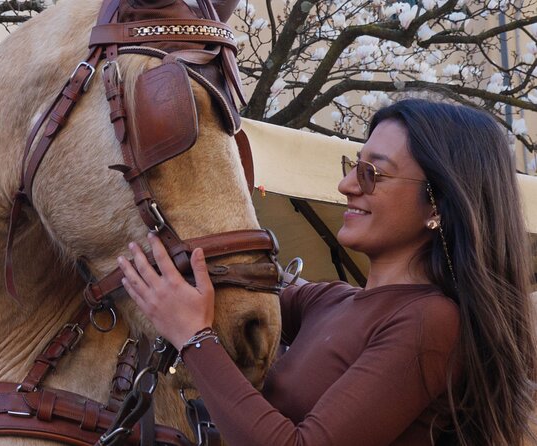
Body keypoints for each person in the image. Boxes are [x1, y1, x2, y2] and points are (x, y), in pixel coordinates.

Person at [117, 98, 537, 446]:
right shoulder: (331, 300)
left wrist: (194, 338)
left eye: (372, 173)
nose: (346, 186)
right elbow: (234, 281)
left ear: (437, 205)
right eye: (352, 165)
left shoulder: (433, 323)